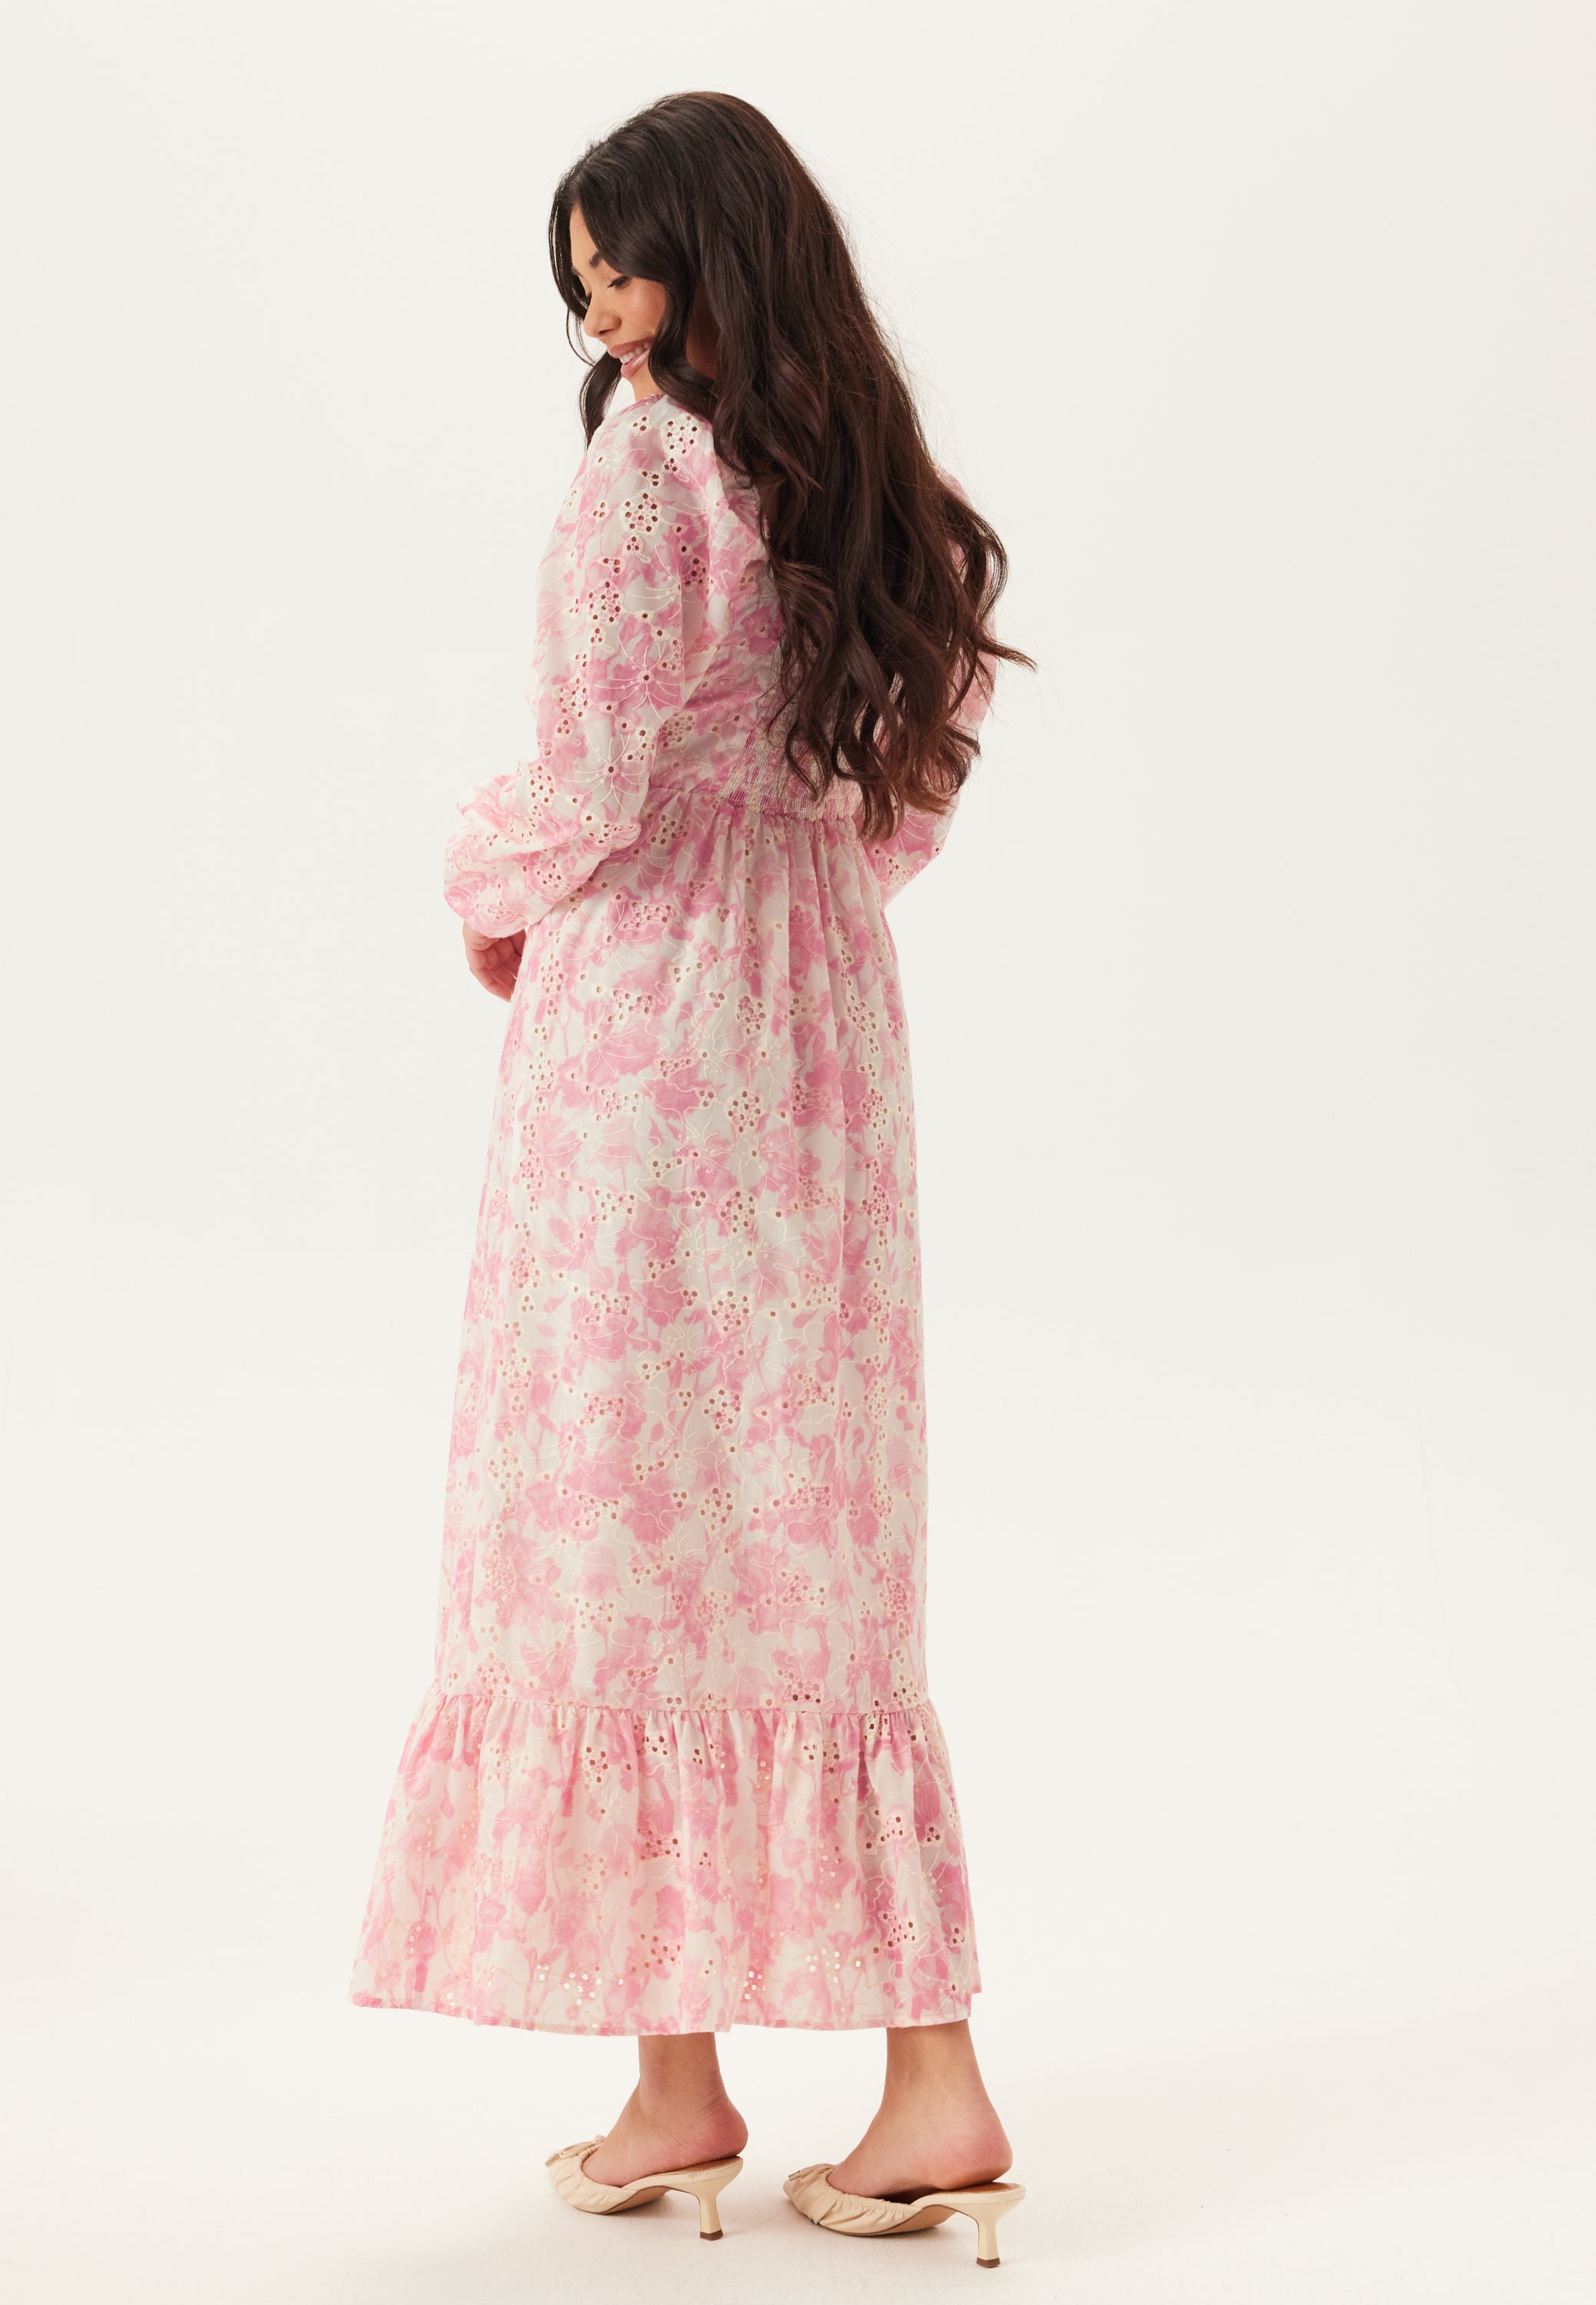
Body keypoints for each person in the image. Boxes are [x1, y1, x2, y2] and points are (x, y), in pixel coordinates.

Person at [350, 89, 1032, 2267]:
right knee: (803, 1529)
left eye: (626, 280)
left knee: (616, 1515)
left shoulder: (652, 471)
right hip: (816, 1033)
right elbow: (910, 778)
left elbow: (594, 769)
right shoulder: (854, 477)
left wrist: (485, 883)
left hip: (648, 1035)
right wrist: (798, 893)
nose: (610, 331)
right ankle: (782, 2081)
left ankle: (794, 2084)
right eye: (585, 298)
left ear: (711, 257)